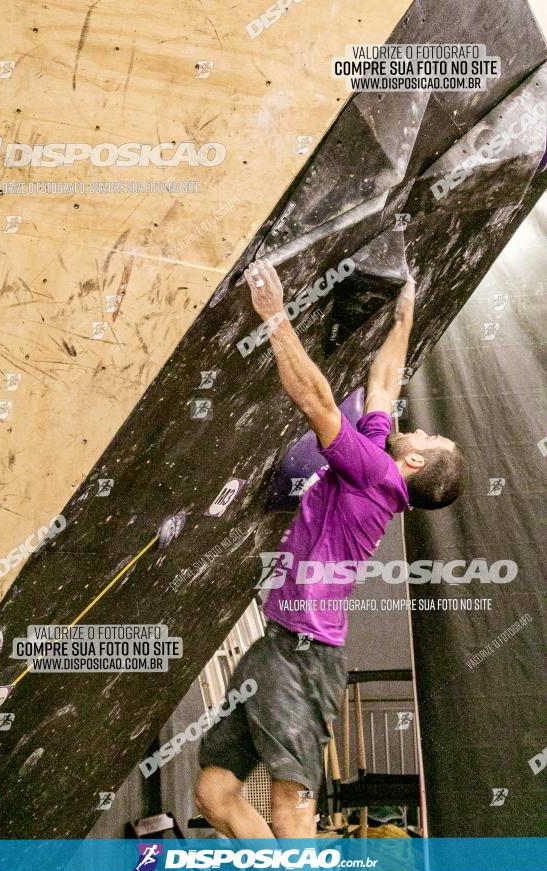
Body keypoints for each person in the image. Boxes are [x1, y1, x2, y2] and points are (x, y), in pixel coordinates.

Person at [195, 257, 467, 839]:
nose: (415, 427)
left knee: (292, 803)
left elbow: (317, 400)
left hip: (305, 653)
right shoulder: (377, 455)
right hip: (279, 644)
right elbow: (385, 382)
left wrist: (276, 317)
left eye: (427, 435)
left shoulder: (374, 471)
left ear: (414, 461)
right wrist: (405, 316)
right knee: (215, 795)